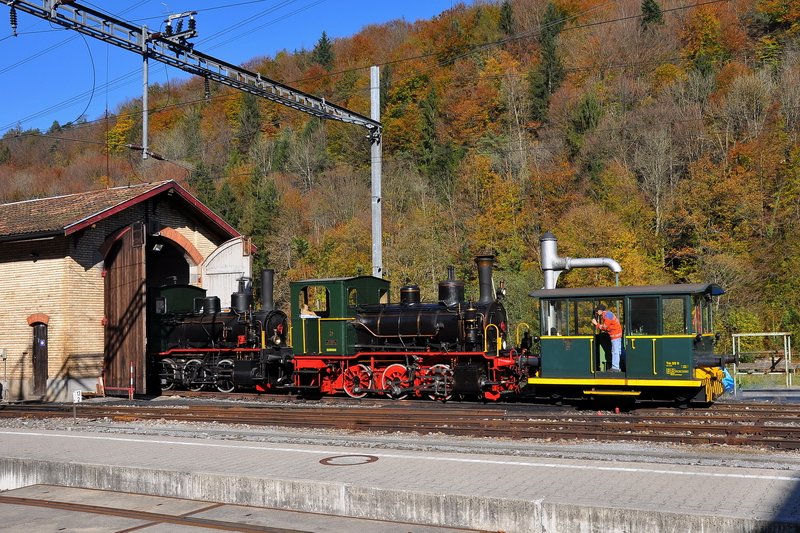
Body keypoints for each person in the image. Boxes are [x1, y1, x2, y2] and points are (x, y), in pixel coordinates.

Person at [592, 304, 622, 372]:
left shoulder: (607, 316)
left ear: (600, 310)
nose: (596, 312)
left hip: (615, 336)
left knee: (615, 352)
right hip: (616, 335)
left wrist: (596, 324)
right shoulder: (607, 314)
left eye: (597, 311)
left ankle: (615, 368)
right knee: (617, 351)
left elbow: (604, 327)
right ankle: (617, 366)